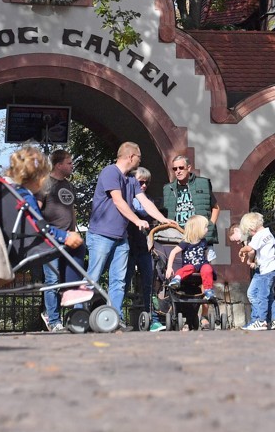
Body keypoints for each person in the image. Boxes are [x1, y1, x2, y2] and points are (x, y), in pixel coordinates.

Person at [85, 142, 149, 314]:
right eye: (139, 157)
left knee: (119, 281)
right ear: (130, 157)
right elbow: (118, 201)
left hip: (121, 238)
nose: (140, 161)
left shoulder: (131, 179)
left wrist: (164, 219)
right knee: (93, 277)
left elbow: (145, 202)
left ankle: (114, 317)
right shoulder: (110, 172)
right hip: (102, 235)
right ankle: (79, 315)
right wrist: (137, 220)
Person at [35, 149, 84, 332]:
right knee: (52, 279)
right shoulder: (45, 183)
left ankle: (74, 316)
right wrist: (44, 231)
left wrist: (74, 230)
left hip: (69, 238)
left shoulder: (69, 185)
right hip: (51, 239)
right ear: (58, 165)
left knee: (70, 278)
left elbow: (70, 210)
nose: (72, 165)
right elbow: (36, 210)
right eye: (69, 163)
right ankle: (53, 319)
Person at [127, 166, 173, 326]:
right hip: (128, 246)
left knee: (149, 284)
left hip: (144, 248)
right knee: (123, 282)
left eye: (147, 183)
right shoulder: (128, 198)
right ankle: (115, 316)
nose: (144, 186)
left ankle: (152, 319)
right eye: (141, 182)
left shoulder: (149, 200)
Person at [239, 212, 275, 331]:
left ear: (252, 228)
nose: (250, 234)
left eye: (249, 232)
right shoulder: (268, 233)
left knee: (262, 295)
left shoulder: (259, 235)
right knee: (269, 295)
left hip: (267, 270)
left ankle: (261, 321)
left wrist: (241, 250)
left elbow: (250, 249)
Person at [163, 155, 219, 243]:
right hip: (177, 236)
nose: (178, 171)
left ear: (188, 168)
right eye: (175, 169)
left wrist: (210, 226)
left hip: (200, 235)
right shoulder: (168, 188)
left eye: (181, 168)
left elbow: (216, 207)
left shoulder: (203, 184)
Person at [166, 215, 216, 300]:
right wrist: (169, 267)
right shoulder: (186, 242)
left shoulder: (203, 241)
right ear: (198, 229)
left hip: (202, 265)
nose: (207, 229)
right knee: (188, 268)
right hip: (190, 265)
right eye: (205, 227)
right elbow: (173, 252)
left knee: (208, 268)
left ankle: (208, 290)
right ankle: (176, 279)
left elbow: (205, 253)